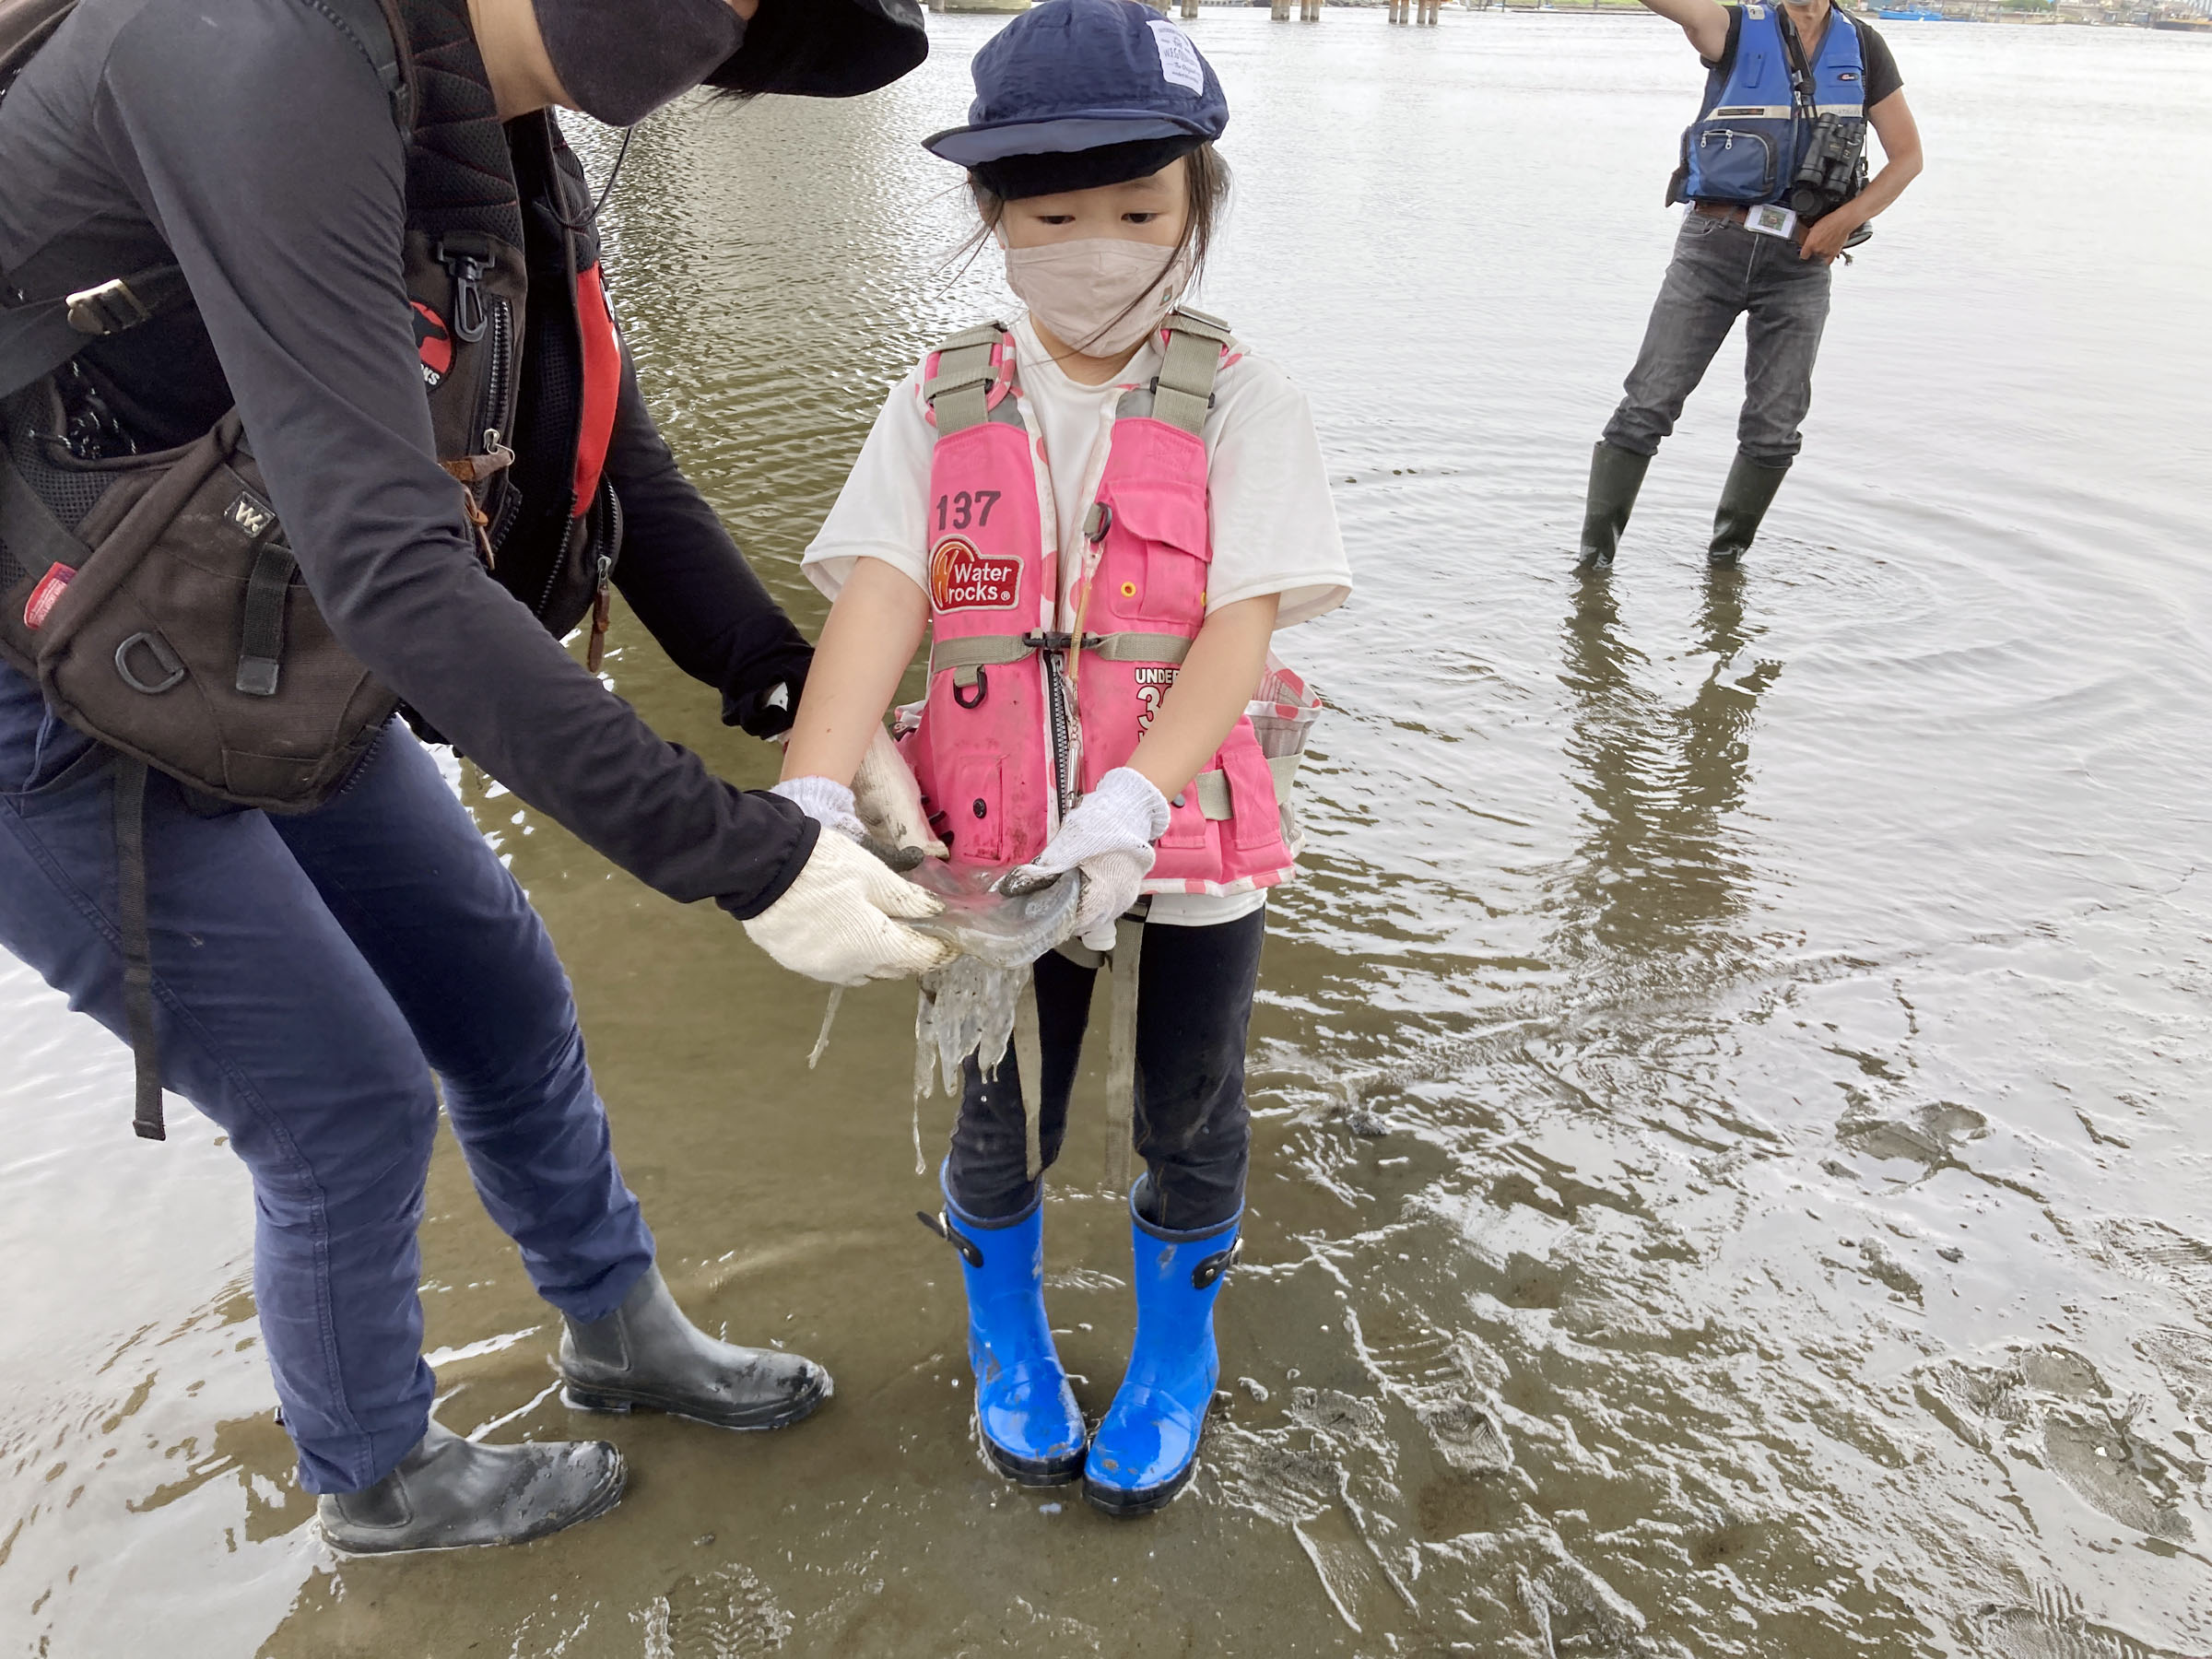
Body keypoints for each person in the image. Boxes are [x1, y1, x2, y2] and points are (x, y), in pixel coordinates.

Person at [0, 0, 949, 1554]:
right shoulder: (259, 48)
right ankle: (379, 1481)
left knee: (500, 992)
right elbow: (391, 568)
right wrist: (748, 860)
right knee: (339, 1097)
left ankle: (618, 1332)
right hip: (35, 695)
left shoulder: (493, 132)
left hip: (232, 642)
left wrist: (785, 692)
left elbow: (610, 457)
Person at [777, 0, 1352, 1516]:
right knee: (992, 1102)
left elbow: (1240, 628)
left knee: (1193, 1105)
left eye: (1140, 208)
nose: (1099, 239)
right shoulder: (938, 396)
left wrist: (1134, 799)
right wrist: (814, 800)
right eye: (1054, 212)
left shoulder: (1247, 397)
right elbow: (883, 600)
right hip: (991, 847)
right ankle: (1005, 1331)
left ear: (1199, 204)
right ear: (993, 217)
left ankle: (1176, 1354)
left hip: (1184, 837)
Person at [1578, 0, 1924, 570]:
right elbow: (1676, 10)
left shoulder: (1863, 47)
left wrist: (1844, 220)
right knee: (1647, 408)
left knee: (1775, 430)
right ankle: (1593, 570)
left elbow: (1907, 158)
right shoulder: (1733, 27)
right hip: (1713, 247)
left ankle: (1725, 566)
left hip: (1803, 262)